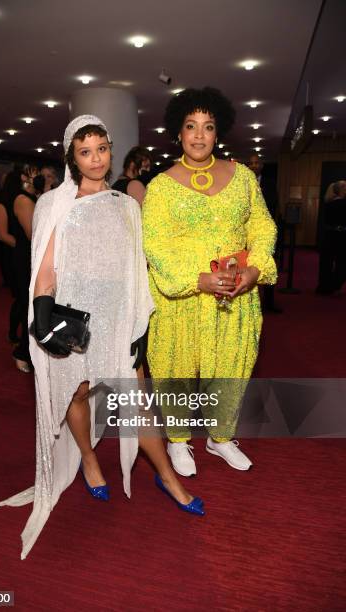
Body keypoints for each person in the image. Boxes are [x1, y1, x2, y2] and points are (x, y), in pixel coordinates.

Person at [0, 115, 204, 560]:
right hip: (71, 314)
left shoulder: (127, 203)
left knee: (135, 401)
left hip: (115, 316)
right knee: (78, 393)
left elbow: (135, 270)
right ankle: (89, 459)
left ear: (110, 150)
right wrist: (43, 314)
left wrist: (138, 326)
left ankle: (167, 477)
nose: (95, 158)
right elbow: (45, 269)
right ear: (72, 157)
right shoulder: (54, 203)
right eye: (85, 152)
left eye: (102, 149)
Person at [142, 87, 277, 477]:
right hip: (182, 300)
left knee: (232, 366)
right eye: (190, 127)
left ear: (218, 133)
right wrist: (197, 279)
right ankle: (178, 439)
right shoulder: (161, 187)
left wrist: (254, 270)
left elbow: (263, 225)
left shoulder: (243, 177)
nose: (199, 135)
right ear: (178, 133)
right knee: (177, 368)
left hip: (237, 294)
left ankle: (220, 438)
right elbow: (156, 245)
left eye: (208, 127)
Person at [10, 164, 39, 372]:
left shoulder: (36, 197)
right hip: (26, 257)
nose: (39, 177)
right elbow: (33, 234)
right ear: (24, 177)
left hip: (34, 256)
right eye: (36, 173)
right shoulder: (22, 199)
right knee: (28, 305)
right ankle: (22, 351)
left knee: (33, 305)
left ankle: (30, 351)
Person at [248, 153, 282, 313]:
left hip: (263, 232)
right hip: (244, 233)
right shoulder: (241, 183)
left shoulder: (269, 184)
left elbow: (273, 206)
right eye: (251, 163)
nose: (254, 165)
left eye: (257, 163)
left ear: (262, 165)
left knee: (266, 264)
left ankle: (268, 303)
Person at [0, 170, 22, 344]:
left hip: (21, 254)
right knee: (21, 298)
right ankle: (12, 333)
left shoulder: (21, 201)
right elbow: (3, 235)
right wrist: (25, 248)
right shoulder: (1, 204)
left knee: (25, 298)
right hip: (13, 256)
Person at [316, 180, 346, 294]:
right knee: (342, 263)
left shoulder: (328, 203)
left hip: (329, 235)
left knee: (326, 262)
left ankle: (325, 287)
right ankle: (332, 285)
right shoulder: (340, 203)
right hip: (341, 236)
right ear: (342, 189)